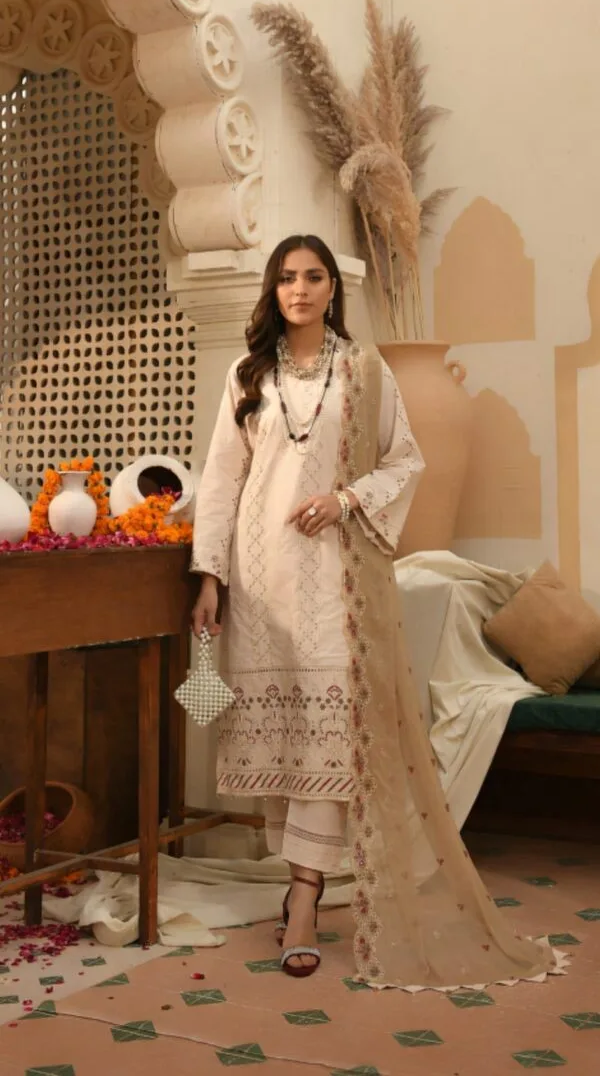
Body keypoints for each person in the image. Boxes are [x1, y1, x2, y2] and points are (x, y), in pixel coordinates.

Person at [190, 234, 560, 990]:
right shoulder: (248, 374)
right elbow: (222, 478)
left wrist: (345, 499)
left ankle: (303, 900)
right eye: (286, 278)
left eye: (313, 277)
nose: (299, 289)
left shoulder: (364, 370)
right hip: (261, 584)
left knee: (328, 740)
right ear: (273, 289)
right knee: (285, 740)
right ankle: (299, 883)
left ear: (334, 288)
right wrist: (210, 576)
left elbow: (405, 459)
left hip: (335, 579)